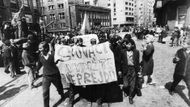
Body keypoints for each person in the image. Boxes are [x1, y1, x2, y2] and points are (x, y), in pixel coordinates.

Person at [36, 41, 64, 107]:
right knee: (45, 92)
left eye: (40, 48)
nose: (39, 50)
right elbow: (40, 64)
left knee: (59, 87)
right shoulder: (40, 55)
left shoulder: (53, 54)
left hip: (55, 75)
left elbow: (59, 61)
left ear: (45, 48)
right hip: (46, 76)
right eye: (39, 48)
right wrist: (36, 70)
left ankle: (62, 95)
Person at [121, 38, 140, 104]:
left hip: (133, 69)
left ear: (132, 45)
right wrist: (120, 70)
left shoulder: (136, 52)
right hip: (125, 69)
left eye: (129, 44)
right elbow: (121, 62)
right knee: (126, 84)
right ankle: (125, 90)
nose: (127, 46)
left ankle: (130, 97)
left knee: (133, 84)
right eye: (126, 44)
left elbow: (137, 62)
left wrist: (138, 71)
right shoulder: (123, 51)